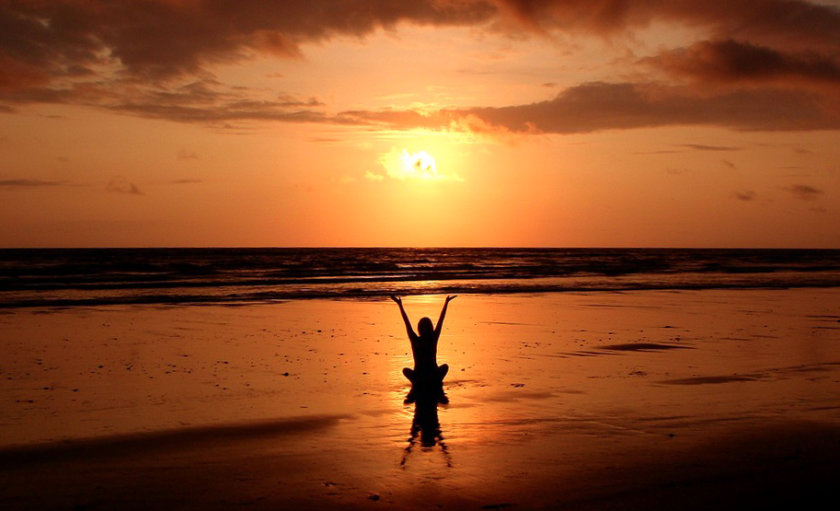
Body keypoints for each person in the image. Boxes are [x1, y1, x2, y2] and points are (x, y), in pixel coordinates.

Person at [390, 294, 456, 386]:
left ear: (419, 328)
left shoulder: (416, 340)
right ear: (430, 328)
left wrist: (400, 305)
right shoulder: (433, 338)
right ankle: (432, 381)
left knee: (406, 371)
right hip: (433, 375)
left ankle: (423, 382)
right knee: (445, 367)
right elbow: (441, 320)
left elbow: (407, 322)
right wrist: (446, 303)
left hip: (419, 376)